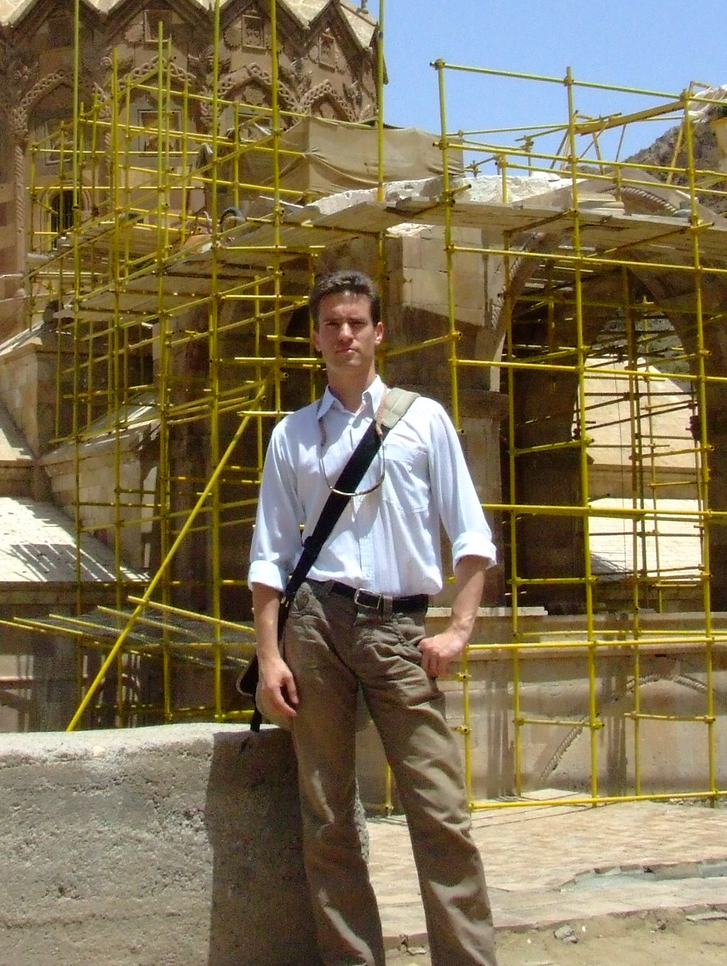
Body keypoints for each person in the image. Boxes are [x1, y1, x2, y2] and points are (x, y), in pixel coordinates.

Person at [249, 269, 502, 966]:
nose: (345, 334)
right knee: (329, 816)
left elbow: (474, 538)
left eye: (356, 322)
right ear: (316, 337)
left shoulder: (424, 421)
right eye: (331, 323)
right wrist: (270, 658)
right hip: (315, 628)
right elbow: (270, 557)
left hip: (399, 631)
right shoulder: (292, 436)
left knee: (440, 811)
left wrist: (457, 630)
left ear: (379, 332)